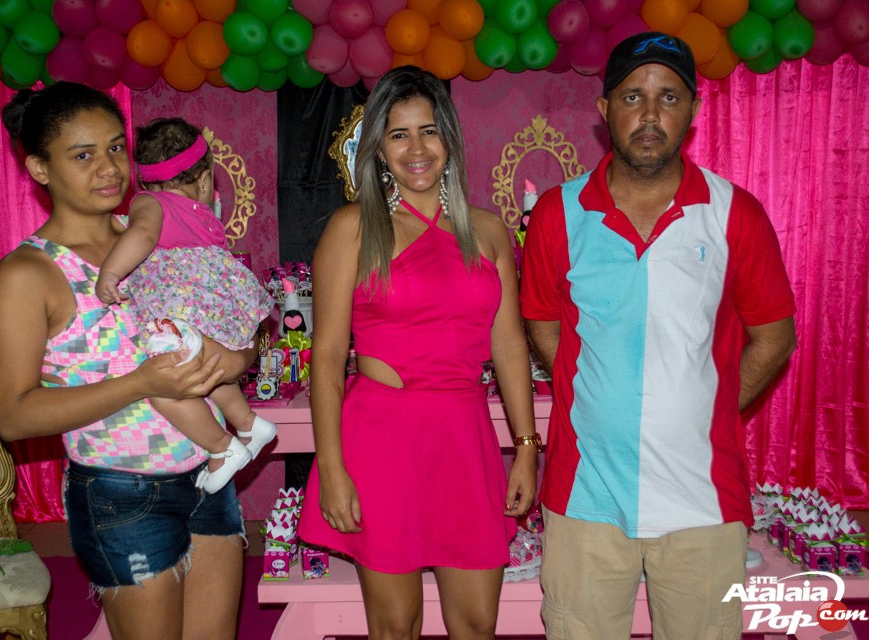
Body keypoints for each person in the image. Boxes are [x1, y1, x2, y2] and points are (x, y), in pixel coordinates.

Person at [519, 33, 797, 639]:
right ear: (604, 109)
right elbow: (541, 319)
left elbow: (775, 335)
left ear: (692, 109)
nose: (649, 115)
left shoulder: (735, 213)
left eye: (668, 97)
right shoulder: (558, 213)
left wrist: (706, 407)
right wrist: (597, 396)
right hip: (585, 496)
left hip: (702, 500)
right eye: (632, 97)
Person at [0, 82, 254, 640]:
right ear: (39, 168)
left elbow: (231, 316)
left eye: (114, 148)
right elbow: (13, 415)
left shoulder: (157, 234)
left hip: (211, 474)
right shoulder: (28, 274)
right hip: (123, 495)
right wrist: (140, 383)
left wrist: (239, 357)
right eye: (83, 155)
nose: (109, 168)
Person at [297, 65, 539, 640]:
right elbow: (326, 356)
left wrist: (527, 448)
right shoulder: (353, 229)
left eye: (429, 131)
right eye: (399, 134)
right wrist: (330, 466)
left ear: (449, 138)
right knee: (395, 626)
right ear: (379, 148)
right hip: (382, 440)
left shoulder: (488, 232)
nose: (417, 149)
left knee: (477, 624)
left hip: (464, 438)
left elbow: (508, 344)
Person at [94, 117, 276, 493]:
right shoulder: (205, 217)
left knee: (164, 387)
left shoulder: (150, 202)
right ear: (205, 181)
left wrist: (110, 273)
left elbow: (142, 233)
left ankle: (223, 447)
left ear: (145, 182)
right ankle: (248, 423)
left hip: (183, 313)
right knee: (205, 371)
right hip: (221, 313)